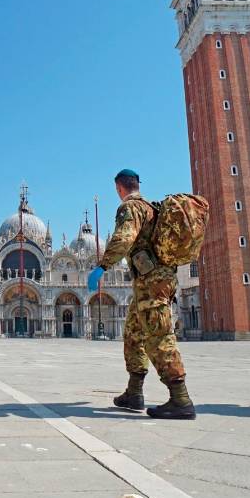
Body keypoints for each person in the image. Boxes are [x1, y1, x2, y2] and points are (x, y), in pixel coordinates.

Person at [89, 169, 195, 420]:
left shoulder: (131, 208)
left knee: (158, 336)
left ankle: (180, 399)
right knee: (134, 335)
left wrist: (103, 266)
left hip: (152, 283)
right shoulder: (153, 209)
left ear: (119, 188)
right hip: (151, 283)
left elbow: (124, 238)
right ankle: (134, 392)